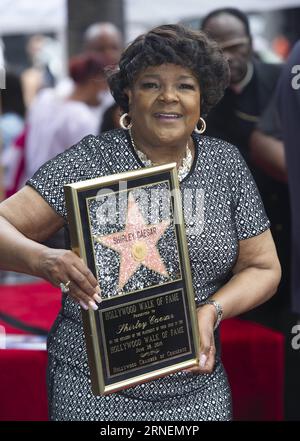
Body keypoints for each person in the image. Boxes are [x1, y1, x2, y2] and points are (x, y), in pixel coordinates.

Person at [0, 24, 281, 421]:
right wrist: (43, 259)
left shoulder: (225, 164)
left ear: (203, 99)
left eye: (185, 85)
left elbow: (263, 266)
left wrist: (212, 310)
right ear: (128, 96)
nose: (169, 97)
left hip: (197, 386)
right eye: (151, 84)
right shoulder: (91, 160)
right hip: (92, 386)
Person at [201, 8, 290, 330]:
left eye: (236, 46)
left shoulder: (281, 78)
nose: (228, 57)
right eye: (218, 49)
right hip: (230, 227)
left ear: (251, 44)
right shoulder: (197, 95)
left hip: (284, 211)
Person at [24, 53, 108, 181]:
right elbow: (84, 168)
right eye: (104, 86)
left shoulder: (44, 99)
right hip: (57, 189)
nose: (104, 94)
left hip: (30, 183)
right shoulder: (82, 118)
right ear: (95, 80)